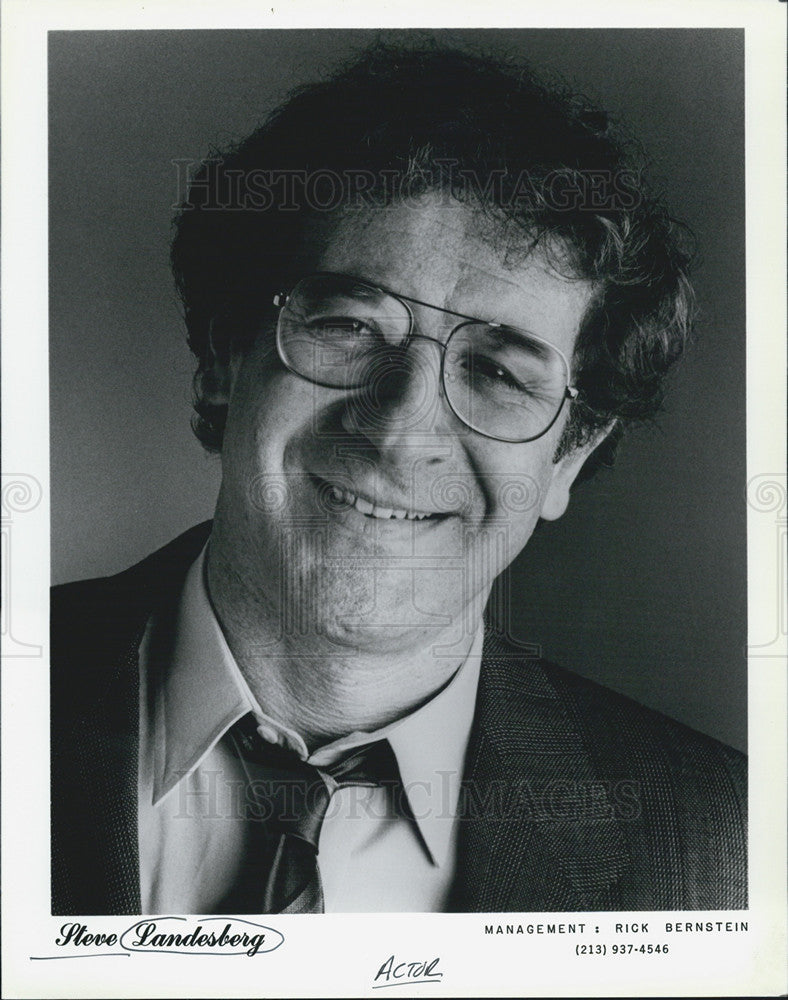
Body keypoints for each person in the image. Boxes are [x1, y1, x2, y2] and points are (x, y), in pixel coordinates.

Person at [51, 44, 746, 915]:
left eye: (499, 373)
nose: (399, 429)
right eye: (348, 323)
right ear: (230, 354)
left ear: (568, 452)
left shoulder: (727, 845)